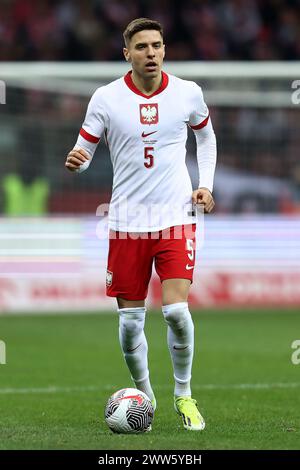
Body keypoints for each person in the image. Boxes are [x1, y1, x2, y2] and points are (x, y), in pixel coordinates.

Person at [65, 18, 217, 431]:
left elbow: (206, 136)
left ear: (164, 49)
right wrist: (77, 163)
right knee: (131, 322)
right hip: (127, 222)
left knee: (176, 312)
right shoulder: (106, 98)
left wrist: (204, 185)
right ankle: (145, 398)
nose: (151, 53)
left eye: (157, 45)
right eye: (142, 46)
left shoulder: (188, 93)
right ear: (126, 53)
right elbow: (83, 151)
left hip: (175, 218)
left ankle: (184, 396)